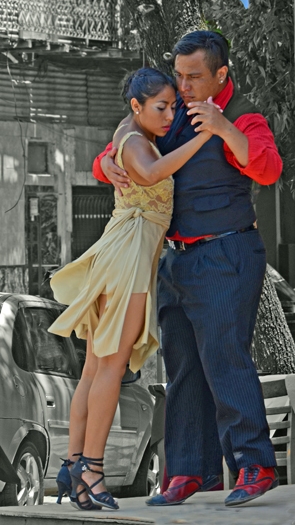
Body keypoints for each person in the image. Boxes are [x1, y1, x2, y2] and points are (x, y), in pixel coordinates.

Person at [95, 31, 283, 508]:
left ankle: (254, 465)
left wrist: (223, 128)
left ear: (221, 75)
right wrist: (105, 163)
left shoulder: (244, 116)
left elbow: (267, 168)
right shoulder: (172, 111)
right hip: (175, 259)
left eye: (194, 77)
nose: (183, 86)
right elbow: (130, 135)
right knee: (182, 368)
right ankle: (190, 472)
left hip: (226, 253)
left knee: (223, 356)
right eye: (178, 76)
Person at [48, 66, 214, 512]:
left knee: (94, 368)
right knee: (110, 368)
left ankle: (73, 465)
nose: (169, 114)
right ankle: (93, 471)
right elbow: (149, 172)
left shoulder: (128, 131)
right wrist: (206, 134)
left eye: (173, 106)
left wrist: (104, 162)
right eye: (161, 107)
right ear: (136, 106)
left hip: (121, 249)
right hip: (129, 256)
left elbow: (117, 161)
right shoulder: (137, 141)